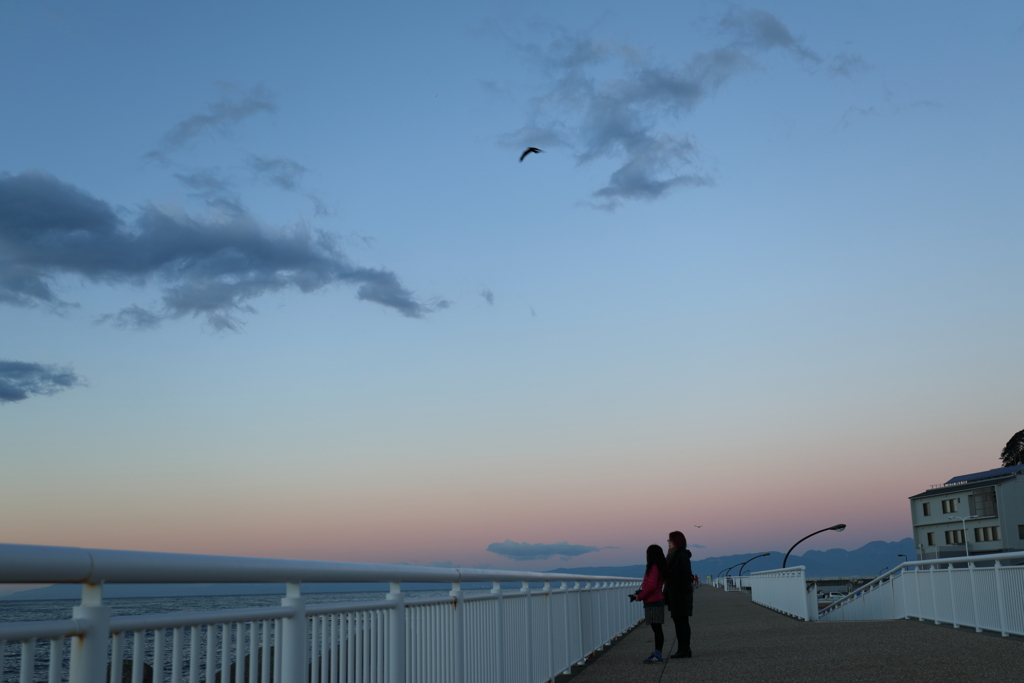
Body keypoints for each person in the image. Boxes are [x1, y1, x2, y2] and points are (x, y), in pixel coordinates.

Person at [633, 544, 668, 663]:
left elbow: (651, 586)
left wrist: (640, 596)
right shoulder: (659, 566)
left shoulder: (653, 567)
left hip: (654, 601)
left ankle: (658, 654)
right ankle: (658, 652)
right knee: (656, 628)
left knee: (657, 628)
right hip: (656, 600)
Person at [665, 530, 694, 658]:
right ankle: (681, 648)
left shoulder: (681, 555)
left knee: (682, 622)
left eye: (670, 540)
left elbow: (687, 576)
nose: (668, 543)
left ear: (676, 541)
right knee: (678, 622)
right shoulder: (672, 555)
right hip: (674, 595)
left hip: (680, 595)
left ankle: (685, 649)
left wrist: (680, 591)